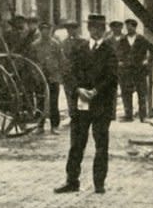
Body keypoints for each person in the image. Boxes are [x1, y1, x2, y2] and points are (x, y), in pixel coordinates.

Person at [54, 14, 118, 195]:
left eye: (99, 28)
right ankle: (71, 180)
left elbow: (112, 77)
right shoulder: (79, 49)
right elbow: (69, 72)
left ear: (104, 30)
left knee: (101, 145)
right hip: (82, 103)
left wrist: (96, 91)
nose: (96, 31)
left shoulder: (109, 51)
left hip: (101, 104)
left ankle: (99, 183)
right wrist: (78, 90)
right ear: (89, 29)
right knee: (76, 144)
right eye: (93, 28)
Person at [116, 18, 153, 122]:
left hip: (139, 70)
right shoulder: (122, 40)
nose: (128, 29)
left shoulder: (141, 39)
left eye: (130, 27)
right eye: (127, 27)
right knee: (126, 93)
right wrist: (119, 61)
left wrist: (148, 60)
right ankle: (128, 115)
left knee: (141, 93)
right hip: (126, 70)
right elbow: (117, 53)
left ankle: (143, 116)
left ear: (134, 27)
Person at [31, 22, 66, 134]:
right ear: (40, 31)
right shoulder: (35, 45)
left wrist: (60, 75)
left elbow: (61, 60)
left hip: (53, 76)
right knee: (40, 101)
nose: (45, 32)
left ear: (51, 31)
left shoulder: (56, 44)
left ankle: (54, 126)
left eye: (48, 30)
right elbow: (32, 61)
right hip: (40, 76)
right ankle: (40, 126)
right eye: (43, 30)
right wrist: (35, 74)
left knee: (54, 102)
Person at [61, 21, 86, 118]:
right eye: (68, 29)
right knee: (69, 94)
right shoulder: (64, 43)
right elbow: (62, 58)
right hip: (68, 73)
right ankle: (73, 115)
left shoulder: (83, 42)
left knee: (82, 94)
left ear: (77, 29)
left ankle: (84, 116)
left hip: (80, 72)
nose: (70, 31)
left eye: (73, 28)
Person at [104, 20, 124, 120]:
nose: (116, 29)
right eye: (114, 27)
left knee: (126, 90)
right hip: (112, 68)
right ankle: (112, 114)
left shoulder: (126, 38)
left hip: (125, 67)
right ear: (111, 28)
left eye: (118, 27)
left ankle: (128, 113)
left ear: (121, 28)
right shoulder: (107, 40)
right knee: (112, 90)